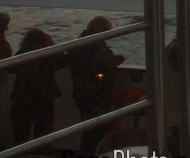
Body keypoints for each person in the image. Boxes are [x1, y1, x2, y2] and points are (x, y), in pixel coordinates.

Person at [68, 15, 126, 150]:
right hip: (94, 95)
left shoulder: (79, 44)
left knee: (90, 129)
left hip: (84, 93)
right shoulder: (93, 45)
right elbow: (97, 65)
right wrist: (113, 61)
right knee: (95, 131)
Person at [10, 27, 62, 146]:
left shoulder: (23, 55)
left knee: (20, 137)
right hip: (43, 101)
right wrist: (52, 45)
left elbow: (10, 68)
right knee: (42, 135)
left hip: (21, 99)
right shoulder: (48, 56)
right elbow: (62, 61)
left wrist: (23, 50)